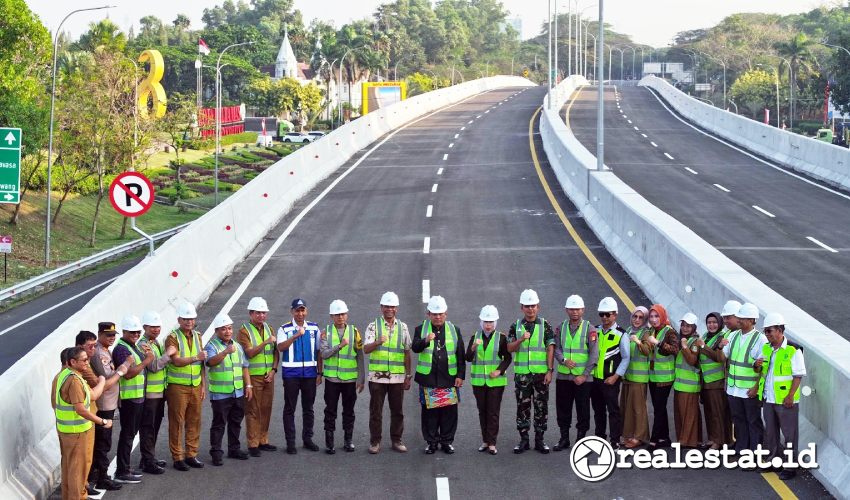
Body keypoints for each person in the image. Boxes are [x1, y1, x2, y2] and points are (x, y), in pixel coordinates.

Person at [74, 331, 127, 496]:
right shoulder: (84, 364)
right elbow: (100, 385)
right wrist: (120, 372)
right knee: (98, 446)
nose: (93, 349)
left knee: (98, 446)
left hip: (94, 412)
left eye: (94, 345)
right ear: (79, 347)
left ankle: (94, 479)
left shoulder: (90, 359)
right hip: (92, 413)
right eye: (90, 346)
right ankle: (94, 480)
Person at [755, 313, 805, 481]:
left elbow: (798, 375)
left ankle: (790, 467)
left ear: (780, 330)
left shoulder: (793, 350)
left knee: (790, 435)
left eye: (770, 331)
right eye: (766, 331)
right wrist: (757, 366)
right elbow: (764, 371)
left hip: (785, 400)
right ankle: (774, 461)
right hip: (769, 398)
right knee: (771, 432)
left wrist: (790, 396)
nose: (767, 334)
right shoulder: (767, 348)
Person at [412, 296, 465, 454]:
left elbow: (460, 355)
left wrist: (460, 375)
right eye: (434, 314)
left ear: (446, 313)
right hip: (428, 379)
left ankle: (447, 441)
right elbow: (414, 347)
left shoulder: (454, 330)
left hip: (449, 378)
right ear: (428, 314)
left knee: (449, 412)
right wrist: (425, 340)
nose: (438, 317)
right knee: (429, 412)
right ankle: (431, 442)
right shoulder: (421, 329)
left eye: (440, 313)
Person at [53, 346, 107, 500]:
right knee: (79, 470)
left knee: (69, 468)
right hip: (78, 432)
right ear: (72, 362)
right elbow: (81, 409)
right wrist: (102, 421)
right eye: (84, 360)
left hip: (68, 431)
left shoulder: (64, 375)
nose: (87, 362)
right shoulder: (75, 380)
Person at [363, 291, 412, 454]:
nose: (389, 309)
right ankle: (375, 442)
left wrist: (408, 376)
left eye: (392, 306)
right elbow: (366, 349)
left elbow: (406, 352)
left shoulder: (403, 327)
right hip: (377, 377)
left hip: (397, 378)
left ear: (396, 308)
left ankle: (396, 440)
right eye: (386, 306)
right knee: (376, 411)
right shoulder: (373, 326)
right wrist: (377, 341)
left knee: (397, 411)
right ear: (381, 308)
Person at [507, 289, 555, 454]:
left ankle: (540, 440)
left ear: (538, 307)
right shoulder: (516, 326)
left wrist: (549, 371)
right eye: (527, 306)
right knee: (523, 407)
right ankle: (524, 440)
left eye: (533, 306)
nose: (530, 309)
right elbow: (509, 348)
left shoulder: (545, 324)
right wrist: (521, 339)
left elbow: (550, 348)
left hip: (541, 375)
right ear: (522, 308)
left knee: (541, 407)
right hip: (522, 376)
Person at [112, 315, 155, 484]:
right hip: (130, 399)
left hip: (137, 398)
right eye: (132, 332)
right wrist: (147, 361)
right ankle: (122, 471)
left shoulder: (132, 346)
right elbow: (128, 374)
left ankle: (125, 468)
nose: (136, 334)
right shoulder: (122, 349)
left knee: (130, 433)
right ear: (124, 332)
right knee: (127, 434)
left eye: (137, 332)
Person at [205, 313, 252, 465]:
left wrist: (248, 385)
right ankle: (216, 453)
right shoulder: (212, 346)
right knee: (219, 424)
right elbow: (210, 362)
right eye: (223, 329)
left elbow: (245, 367)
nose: (227, 332)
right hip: (220, 394)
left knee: (236, 421)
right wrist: (225, 352)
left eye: (230, 328)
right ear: (216, 331)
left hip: (237, 392)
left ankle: (234, 449)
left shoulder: (237, 346)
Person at [720, 302, 766, 456]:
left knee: (753, 421)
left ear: (752, 320)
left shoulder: (761, 340)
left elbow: (763, 368)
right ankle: (741, 449)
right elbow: (722, 358)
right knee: (738, 420)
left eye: (742, 318)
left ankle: (755, 452)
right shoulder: (733, 336)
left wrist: (756, 388)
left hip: (749, 390)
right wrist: (720, 347)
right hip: (733, 388)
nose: (738, 321)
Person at [553, 295, 598, 451]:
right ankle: (564, 438)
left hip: (583, 379)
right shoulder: (561, 327)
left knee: (583, 409)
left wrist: (584, 375)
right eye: (571, 309)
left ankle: (580, 440)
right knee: (563, 409)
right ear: (566, 310)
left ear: (583, 310)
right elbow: (556, 348)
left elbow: (594, 354)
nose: (574, 312)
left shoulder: (590, 329)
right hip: (563, 377)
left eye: (577, 309)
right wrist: (563, 360)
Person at [319, 300, 365, 454]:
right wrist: (339, 346)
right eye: (337, 314)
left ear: (347, 315)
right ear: (332, 316)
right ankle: (329, 442)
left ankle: (348, 440)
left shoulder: (354, 332)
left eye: (343, 314)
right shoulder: (325, 332)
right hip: (332, 379)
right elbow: (324, 354)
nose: (340, 317)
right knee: (330, 410)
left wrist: (361, 377)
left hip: (350, 380)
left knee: (349, 410)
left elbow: (360, 355)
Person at [277, 298, 322, 454]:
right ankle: (291, 442)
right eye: (297, 310)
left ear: (306, 311)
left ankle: (307, 439)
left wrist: (319, 372)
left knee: (308, 408)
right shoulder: (284, 329)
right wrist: (295, 336)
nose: (300, 313)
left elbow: (319, 352)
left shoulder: (314, 328)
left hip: (310, 373)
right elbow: (281, 347)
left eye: (302, 310)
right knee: (290, 408)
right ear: (292, 312)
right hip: (291, 374)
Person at [165, 302, 207, 471]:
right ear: (179, 320)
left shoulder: (197, 335)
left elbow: (202, 362)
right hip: (177, 386)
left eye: (191, 318)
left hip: (195, 385)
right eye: (185, 319)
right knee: (177, 422)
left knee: (194, 421)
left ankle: (191, 454)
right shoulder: (172, 337)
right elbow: (175, 360)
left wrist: (203, 384)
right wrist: (195, 357)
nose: (189, 322)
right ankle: (177, 457)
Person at [88, 322, 129, 490]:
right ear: (99, 334)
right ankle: (101, 478)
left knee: (104, 442)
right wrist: (123, 367)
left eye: (113, 335)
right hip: (104, 403)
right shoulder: (99, 353)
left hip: (109, 402)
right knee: (103, 443)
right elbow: (107, 379)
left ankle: (98, 475)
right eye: (108, 335)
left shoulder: (105, 350)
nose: (112, 338)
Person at [466, 305, 511, 455]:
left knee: (493, 412)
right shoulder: (475, 337)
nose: (488, 325)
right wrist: (473, 347)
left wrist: (499, 370)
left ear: (495, 322)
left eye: (491, 322)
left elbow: (508, 358)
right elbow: (467, 358)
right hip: (479, 381)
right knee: (482, 411)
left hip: (495, 382)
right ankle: (485, 440)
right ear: (481, 322)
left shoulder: (501, 338)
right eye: (485, 321)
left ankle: (492, 442)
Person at [237, 297, 279, 457]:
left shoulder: (269, 328)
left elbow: (275, 352)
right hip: (253, 376)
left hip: (268, 376)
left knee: (266, 408)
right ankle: (253, 443)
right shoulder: (244, 331)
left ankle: (263, 440)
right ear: (251, 313)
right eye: (258, 313)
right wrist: (266, 342)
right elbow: (249, 352)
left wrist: (274, 370)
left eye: (264, 313)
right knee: (253, 410)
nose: (262, 316)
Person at [137, 311, 175, 475]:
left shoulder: (155, 342)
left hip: (159, 392)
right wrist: (168, 355)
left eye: (158, 327)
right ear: (145, 327)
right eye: (153, 327)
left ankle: (148, 457)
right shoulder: (143, 345)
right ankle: (148, 461)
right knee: (148, 427)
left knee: (155, 426)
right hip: (150, 394)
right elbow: (153, 367)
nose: (156, 329)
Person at [590, 297, 629, 449]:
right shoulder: (595, 331)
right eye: (602, 314)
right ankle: (600, 437)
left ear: (615, 315)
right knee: (598, 410)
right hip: (595, 379)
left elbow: (626, 358)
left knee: (613, 410)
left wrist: (615, 377)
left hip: (610, 379)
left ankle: (615, 439)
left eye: (608, 314)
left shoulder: (621, 334)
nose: (604, 317)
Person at [646, 304, 679, 449]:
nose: (654, 320)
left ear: (663, 316)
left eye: (656, 316)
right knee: (659, 407)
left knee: (659, 409)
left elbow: (675, 349)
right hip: (653, 377)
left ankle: (654, 440)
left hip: (665, 378)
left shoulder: (669, 331)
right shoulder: (653, 330)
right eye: (651, 317)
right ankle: (664, 437)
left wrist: (658, 343)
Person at [697, 311, 732, 450]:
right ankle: (712, 438)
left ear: (720, 323)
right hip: (705, 380)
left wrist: (703, 346)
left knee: (717, 412)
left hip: (716, 381)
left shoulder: (721, 338)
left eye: (714, 322)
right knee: (709, 411)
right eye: (709, 322)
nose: (711, 325)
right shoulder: (705, 336)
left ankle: (719, 440)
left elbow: (718, 357)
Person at [621, 306, 652, 449]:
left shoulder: (646, 333)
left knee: (638, 409)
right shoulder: (628, 331)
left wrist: (638, 342)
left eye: (640, 317)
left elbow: (647, 351)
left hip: (639, 378)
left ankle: (639, 437)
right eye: (635, 316)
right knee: (627, 408)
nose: (637, 319)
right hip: (627, 376)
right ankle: (628, 434)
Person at [673, 313, 702, 448]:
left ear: (694, 327)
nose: (685, 328)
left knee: (688, 415)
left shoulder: (694, 342)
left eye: (688, 326)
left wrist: (684, 347)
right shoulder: (682, 339)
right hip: (680, 383)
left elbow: (692, 360)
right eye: (683, 325)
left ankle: (688, 440)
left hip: (690, 385)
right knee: (680, 414)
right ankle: (684, 439)